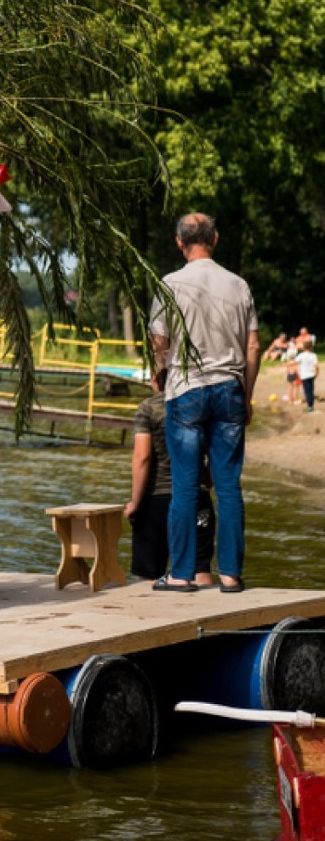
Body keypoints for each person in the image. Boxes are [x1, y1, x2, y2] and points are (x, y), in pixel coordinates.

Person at [150, 213, 260, 595]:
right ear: (215, 238)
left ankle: (181, 575)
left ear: (180, 243)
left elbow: (160, 343)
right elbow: (253, 346)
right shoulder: (239, 284)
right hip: (229, 387)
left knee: (184, 487)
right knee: (228, 487)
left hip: (187, 390)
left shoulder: (169, 284)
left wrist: (158, 372)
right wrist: (245, 394)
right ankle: (230, 575)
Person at [126, 370, 215, 586]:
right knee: (200, 569)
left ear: (156, 380)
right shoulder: (201, 407)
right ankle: (208, 615)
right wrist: (207, 482)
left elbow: (143, 457)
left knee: (148, 574)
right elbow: (214, 452)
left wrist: (135, 503)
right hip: (197, 498)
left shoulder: (148, 408)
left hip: (157, 499)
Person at [297, 340, 319, 413]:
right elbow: (316, 366)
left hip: (304, 375)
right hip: (311, 374)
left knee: (307, 391)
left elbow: (295, 361)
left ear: (303, 347)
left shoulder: (302, 355)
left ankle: (310, 406)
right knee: (311, 390)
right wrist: (316, 373)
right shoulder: (313, 355)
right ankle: (311, 405)